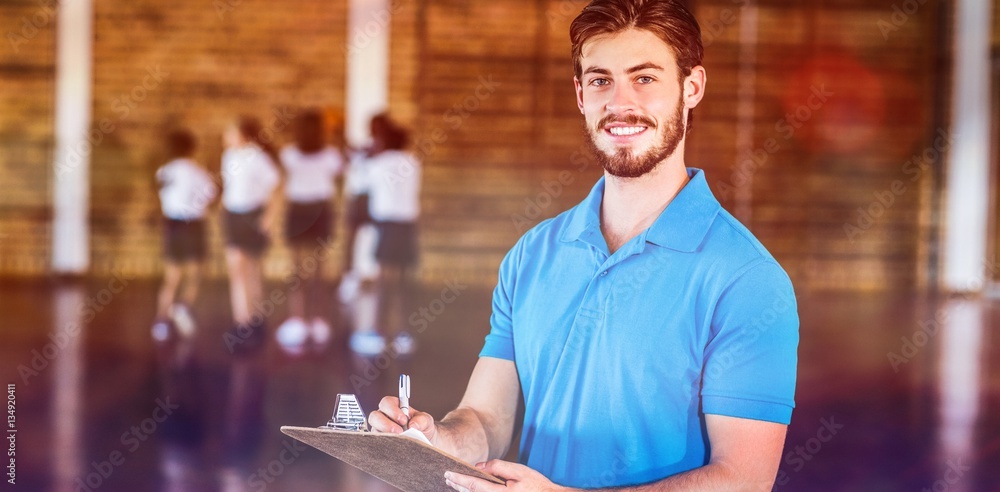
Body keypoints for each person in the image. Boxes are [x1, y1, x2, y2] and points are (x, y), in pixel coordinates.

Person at [368, 1, 799, 490]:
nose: (620, 102)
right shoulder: (531, 254)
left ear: (692, 87)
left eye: (645, 78)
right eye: (600, 80)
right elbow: (486, 418)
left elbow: (743, 480)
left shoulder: (748, 280)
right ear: (579, 94)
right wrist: (437, 439)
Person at [349, 114, 421, 356]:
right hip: (408, 225)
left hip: (387, 225)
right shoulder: (412, 161)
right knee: (401, 280)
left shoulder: (377, 164)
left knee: (382, 280)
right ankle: (402, 334)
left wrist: (362, 156)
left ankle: (377, 332)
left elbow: (360, 185)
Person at [274, 109, 345, 354]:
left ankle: (302, 320)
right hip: (316, 210)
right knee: (315, 269)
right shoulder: (328, 155)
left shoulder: (291, 154)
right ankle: (315, 321)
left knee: (300, 269)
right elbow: (340, 173)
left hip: (306, 210)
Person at [220, 116, 282, 354]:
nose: (226, 138)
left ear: (243, 134)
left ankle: (255, 319)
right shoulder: (228, 157)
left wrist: (269, 217)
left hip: (252, 215)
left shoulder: (257, 157)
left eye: (230, 133)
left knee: (252, 269)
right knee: (237, 269)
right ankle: (242, 322)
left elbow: (276, 185)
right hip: (233, 216)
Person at [152, 129, 217, 342]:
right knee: (197, 271)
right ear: (192, 148)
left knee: (172, 275)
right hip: (193, 224)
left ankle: (161, 321)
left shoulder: (163, 171)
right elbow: (211, 196)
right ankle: (183, 305)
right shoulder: (197, 172)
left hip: (171, 224)